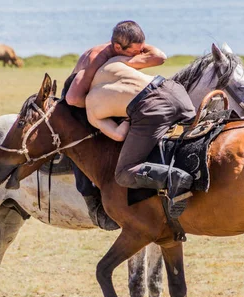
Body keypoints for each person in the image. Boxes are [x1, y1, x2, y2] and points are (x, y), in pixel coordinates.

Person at [63, 20, 167, 230]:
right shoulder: (95, 59)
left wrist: (124, 64)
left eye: (141, 49)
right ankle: (92, 199)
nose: (139, 54)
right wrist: (102, 105)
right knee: (79, 145)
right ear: (117, 47)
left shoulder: (125, 52)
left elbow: (160, 57)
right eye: (134, 52)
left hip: (106, 96)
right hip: (79, 105)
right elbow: (73, 98)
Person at [84, 57, 196, 201]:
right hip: (174, 89)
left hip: (153, 109)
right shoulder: (110, 65)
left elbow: (119, 135)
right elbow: (158, 56)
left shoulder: (90, 110)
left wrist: (127, 119)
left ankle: (175, 178)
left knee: (124, 173)